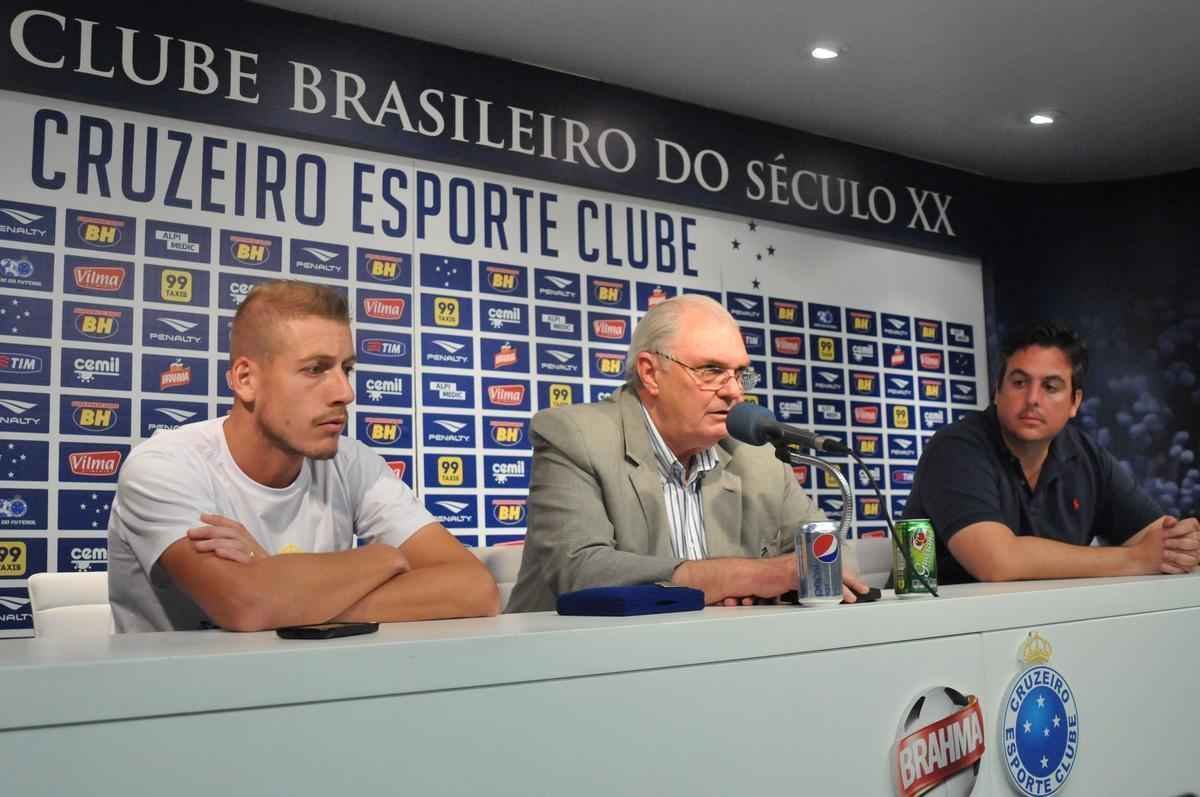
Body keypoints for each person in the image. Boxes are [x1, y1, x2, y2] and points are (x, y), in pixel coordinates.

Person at [108, 280, 499, 632]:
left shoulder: (353, 462)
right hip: (178, 702)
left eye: (346, 369)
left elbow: (475, 589)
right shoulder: (165, 466)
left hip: (312, 694)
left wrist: (286, 591)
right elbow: (246, 606)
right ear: (246, 380)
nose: (344, 392)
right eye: (316, 369)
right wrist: (385, 557)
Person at [507, 294, 867, 612]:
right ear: (650, 373)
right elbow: (581, 571)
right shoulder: (575, 436)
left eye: (740, 373)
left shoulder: (758, 457)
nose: (734, 392)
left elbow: (835, 557)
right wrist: (737, 578)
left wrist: (773, 591)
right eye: (712, 370)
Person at [903, 322, 1199, 584]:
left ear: (1075, 402)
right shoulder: (955, 448)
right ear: (997, 391)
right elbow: (996, 562)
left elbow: (1159, 538)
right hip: (943, 633)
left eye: (1050, 387)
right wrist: (1136, 559)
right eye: (1019, 383)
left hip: (1047, 627)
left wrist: (1184, 544)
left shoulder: (1086, 455)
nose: (1032, 399)